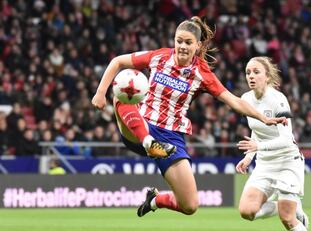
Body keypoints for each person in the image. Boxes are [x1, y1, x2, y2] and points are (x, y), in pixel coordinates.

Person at [91, 17, 286, 217]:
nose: (182, 46)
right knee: (124, 89)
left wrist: (263, 117)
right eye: (179, 41)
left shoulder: (201, 74)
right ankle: (148, 142)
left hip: (170, 138)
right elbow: (118, 61)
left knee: (190, 205)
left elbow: (233, 100)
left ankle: (155, 200)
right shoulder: (159, 57)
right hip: (140, 125)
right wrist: (100, 92)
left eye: (188, 42)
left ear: (198, 45)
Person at [236, 57, 311, 231]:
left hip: (287, 161)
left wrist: (258, 147)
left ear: (267, 76)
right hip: (264, 163)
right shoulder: (245, 98)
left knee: (287, 218)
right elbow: (257, 128)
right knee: (246, 211)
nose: (251, 76)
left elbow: (286, 138)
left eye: (256, 72)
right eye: (248, 73)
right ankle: (291, 205)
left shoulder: (278, 100)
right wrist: (249, 156)